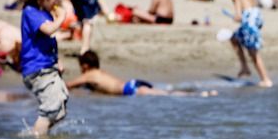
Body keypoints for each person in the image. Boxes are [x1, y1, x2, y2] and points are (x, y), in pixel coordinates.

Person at [19, 0, 69, 136]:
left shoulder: (45, 14)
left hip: (48, 67)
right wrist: (62, 18)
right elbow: (48, 30)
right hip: (37, 70)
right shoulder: (30, 12)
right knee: (51, 108)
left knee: (61, 106)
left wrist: (58, 60)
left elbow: (50, 41)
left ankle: (40, 133)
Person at [65, 50, 214, 97]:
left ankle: (196, 95)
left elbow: (69, 85)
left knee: (166, 94)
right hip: (132, 83)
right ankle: (194, 90)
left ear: (85, 65)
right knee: (164, 91)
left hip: (130, 89)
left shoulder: (89, 75)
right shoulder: (99, 72)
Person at [220, 0, 273, 88]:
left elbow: (237, 0)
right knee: (234, 38)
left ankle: (266, 79)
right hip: (255, 15)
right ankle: (245, 67)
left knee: (252, 50)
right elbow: (251, 0)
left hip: (249, 16)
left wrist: (238, 13)